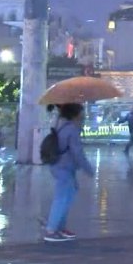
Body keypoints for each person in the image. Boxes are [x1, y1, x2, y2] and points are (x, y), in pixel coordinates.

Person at [44, 103, 95, 242]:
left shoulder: (61, 124)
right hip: (63, 167)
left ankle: (59, 227)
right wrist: (88, 169)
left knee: (68, 194)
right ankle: (51, 230)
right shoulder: (71, 129)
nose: (83, 115)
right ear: (75, 114)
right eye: (81, 112)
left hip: (61, 166)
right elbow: (77, 152)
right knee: (62, 198)